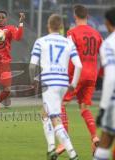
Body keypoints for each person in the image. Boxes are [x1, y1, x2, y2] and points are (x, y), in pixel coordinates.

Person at [30, 14, 82, 160]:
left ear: (48, 25)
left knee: (55, 118)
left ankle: (72, 153)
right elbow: (79, 65)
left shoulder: (41, 41)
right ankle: (51, 148)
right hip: (63, 83)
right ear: (60, 27)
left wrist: (33, 79)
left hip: (49, 83)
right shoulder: (68, 42)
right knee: (45, 113)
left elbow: (33, 64)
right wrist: (73, 84)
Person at [56, 4, 103, 154]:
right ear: (87, 16)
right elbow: (101, 54)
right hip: (92, 75)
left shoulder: (72, 32)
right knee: (84, 108)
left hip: (77, 74)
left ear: (75, 16)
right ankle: (95, 137)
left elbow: (69, 55)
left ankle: (64, 142)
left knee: (60, 104)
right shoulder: (97, 34)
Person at [93, 7, 115, 160]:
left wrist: (102, 108)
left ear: (107, 23)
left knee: (105, 141)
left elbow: (111, 77)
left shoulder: (108, 44)